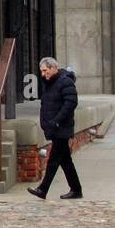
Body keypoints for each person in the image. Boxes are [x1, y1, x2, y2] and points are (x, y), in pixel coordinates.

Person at [28, 57, 83, 200]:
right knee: (65, 161)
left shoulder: (65, 81)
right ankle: (76, 189)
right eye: (41, 71)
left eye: (45, 70)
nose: (43, 74)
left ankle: (43, 189)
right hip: (54, 128)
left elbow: (71, 103)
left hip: (61, 128)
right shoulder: (50, 83)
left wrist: (57, 121)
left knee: (53, 160)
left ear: (53, 68)